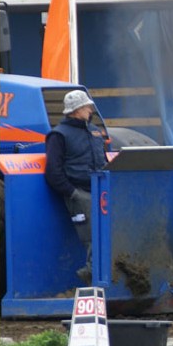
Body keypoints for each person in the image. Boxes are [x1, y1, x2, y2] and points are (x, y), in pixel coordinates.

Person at [44, 89, 108, 284]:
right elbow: (53, 172)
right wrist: (73, 194)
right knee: (93, 235)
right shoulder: (58, 135)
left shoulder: (95, 131)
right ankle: (94, 275)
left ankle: (97, 273)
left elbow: (104, 160)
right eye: (86, 106)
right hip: (79, 193)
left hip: (101, 190)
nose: (90, 109)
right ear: (76, 110)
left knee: (108, 231)